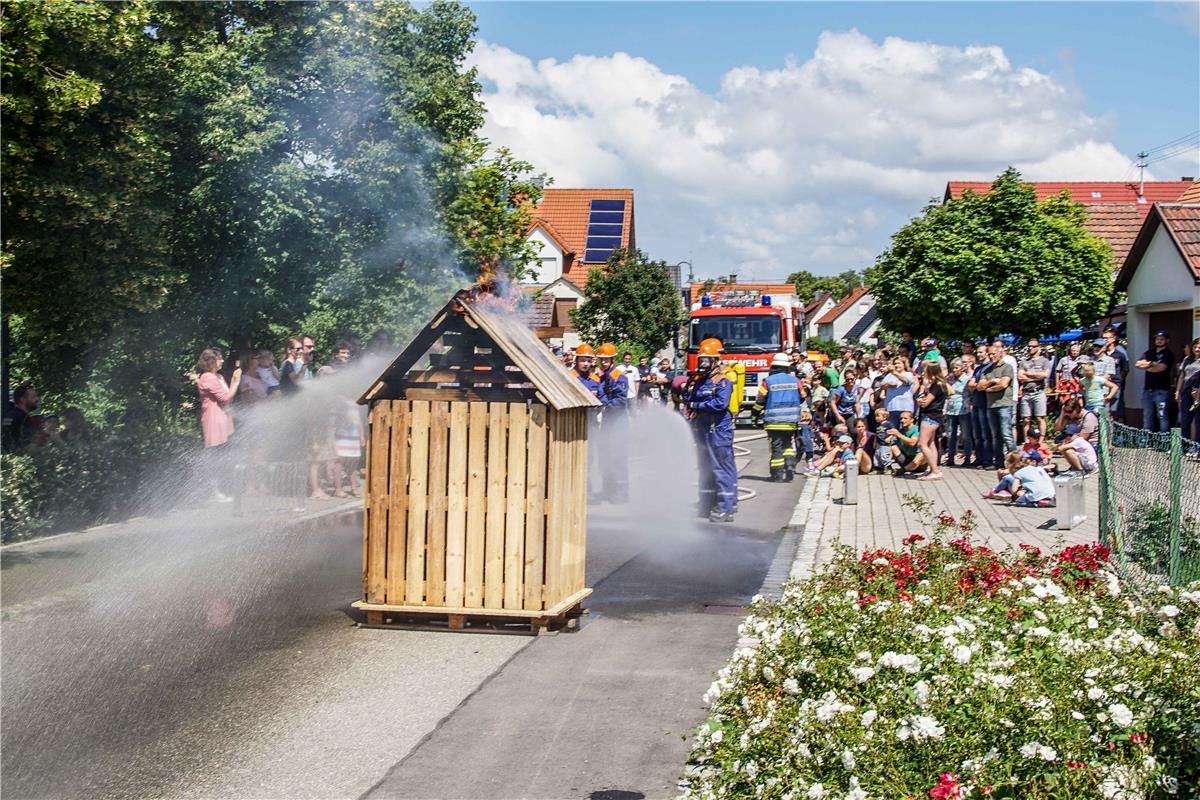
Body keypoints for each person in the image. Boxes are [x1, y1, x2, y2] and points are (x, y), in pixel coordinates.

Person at [683, 338, 737, 522]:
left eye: (706, 360)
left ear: (716, 361)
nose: (702, 364)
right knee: (705, 468)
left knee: (720, 468)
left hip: (718, 430)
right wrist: (689, 384)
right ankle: (706, 504)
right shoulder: (701, 380)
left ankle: (725, 508)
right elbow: (688, 396)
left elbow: (720, 404)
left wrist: (696, 404)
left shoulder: (723, 381)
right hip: (703, 429)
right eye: (701, 360)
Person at [752, 353, 802, 482]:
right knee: (788, 445)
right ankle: (790, 465)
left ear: (773, 366)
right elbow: (802, 396)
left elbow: (760, 401)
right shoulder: (795, 380)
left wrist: (754, 416)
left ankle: (777, 475)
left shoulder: (768, 381)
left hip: (773, 421)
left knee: (776, 447)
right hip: (791, 421)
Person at [595, 342, 630, 503]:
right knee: (606, 455)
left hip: (618, 421)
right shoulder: (602, 375)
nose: (603, 362)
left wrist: (605, 405)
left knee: (618, 457)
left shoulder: (618, 375)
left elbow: (621, 400)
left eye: (606, 359)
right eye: (601, 359)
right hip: (608, 420)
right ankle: (608, 489)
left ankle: (622, 492)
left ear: (613, 359)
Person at [980, 340, 1016, 467]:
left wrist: (988, 387)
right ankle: (999, 462)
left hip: (1004, 404)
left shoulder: (1007, 367)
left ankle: (1016, 461)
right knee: (996, 436)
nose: (991, 356)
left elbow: (1004, 384)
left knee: (1006, 434)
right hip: (991, 406)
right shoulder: (987, 370)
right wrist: (993, 381)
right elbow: (979, 386)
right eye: (989, 354)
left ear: (1000, 353)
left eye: (993, 354)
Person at [915, 359, 951, 480]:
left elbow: (926, 402)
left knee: (922, 443)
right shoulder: (937, 384)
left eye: (925, 370)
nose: (923, 372)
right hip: (934, 416)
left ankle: (935, 470)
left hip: (931, 416)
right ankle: (934, 468)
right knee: (931, 443)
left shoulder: (937, 386)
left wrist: (919, 401)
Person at [983, 450, 1056, 507]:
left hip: (1036, 495)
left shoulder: (1018, 473)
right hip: (1051, 494)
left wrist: (1017, 495)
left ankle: (994, 491)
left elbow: (1014, 489)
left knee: (1019, 501)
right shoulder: (1037, 468)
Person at [1135, 331, 1175, 432]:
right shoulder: (1149, 352)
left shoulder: (1168, 354)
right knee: (1147, 416)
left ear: (1167, 340)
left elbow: (1162, 368)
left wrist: (1148, 366)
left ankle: (1163, 441)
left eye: (1162, 339)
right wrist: (1153, 364)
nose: (1159, 341)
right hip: (1147, 389)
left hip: (1162, 390)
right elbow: (1138, 364)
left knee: (1162, 416)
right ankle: (1147, 441)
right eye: (1157, 339)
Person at [1018, 337, 1052, 440]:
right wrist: (1037, 376)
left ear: (1038, 347)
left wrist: (1028, 374)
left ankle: (1041, 441)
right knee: (1026, 419)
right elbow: (1020, 377)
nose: (1031, 348)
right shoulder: (1024, 362)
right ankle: (1026, 441)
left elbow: (1045, 375)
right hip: (1027, 392)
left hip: (1039, 391)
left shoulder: (1044, 361)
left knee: (1040, 417)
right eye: (1029, 346)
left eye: (1033, 346)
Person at [945, 357, 972, 467]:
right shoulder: (949, 379)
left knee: (965, 435)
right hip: (951, 410)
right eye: (953, 368)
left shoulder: (967, 379)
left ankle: (967, 457)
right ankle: (950, 457)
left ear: (962, 368)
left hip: (963, 409)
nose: (954, 370)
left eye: (956, 368)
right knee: (951, 435)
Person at [1102, 326, 1129, 419]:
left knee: (1115, 411)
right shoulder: (1101, 353)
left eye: (1107, 338)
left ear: (1113, 339)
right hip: (1102, 386)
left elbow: (1125, 369)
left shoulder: (1120, 354)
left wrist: (1119, 380)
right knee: (1103, 411)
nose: (1105, 340)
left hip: (1115, 385)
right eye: (1103, 338)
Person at [881, 356, 915, 431]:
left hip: (905, 407)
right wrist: (888, 384)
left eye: (899, 363)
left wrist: (894, 372)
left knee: (905, 430)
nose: (896, 365)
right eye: (895, 363)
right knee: (892, 430)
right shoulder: (889, 375)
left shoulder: (908, 374)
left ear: (904, 364)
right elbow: (882, 385)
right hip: (891, 407)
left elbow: (906, 381)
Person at [3, 384, 40, 452]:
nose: (37, 399)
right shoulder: (19, 417)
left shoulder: (12, 415)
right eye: (33, 397)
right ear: (22, 399)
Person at [1177, 336, 1200, 440]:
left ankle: (1197, 446)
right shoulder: (1187, 359)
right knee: (1185, 419)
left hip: (1197, 392)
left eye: (1199, 347)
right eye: (1195, 347)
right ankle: (1184, 445)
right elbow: (1182, 376)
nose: (1197, 349)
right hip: (1186, 392)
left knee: (1198, 420)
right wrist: (1178, 391)